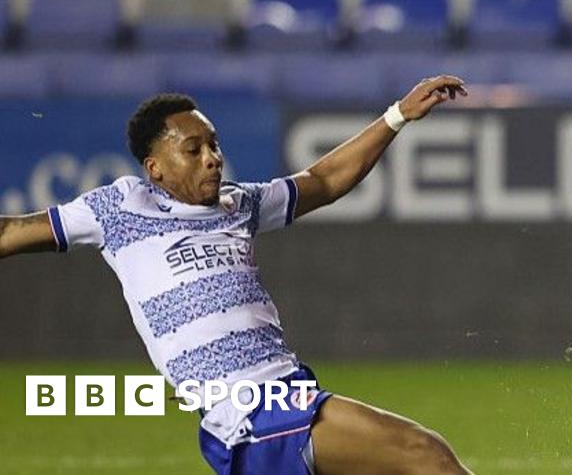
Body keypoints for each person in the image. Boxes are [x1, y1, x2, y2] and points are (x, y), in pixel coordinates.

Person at [0, 78, 473, 475]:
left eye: (214, 144)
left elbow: (324, 181)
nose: (212, 157)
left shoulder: (237, 204)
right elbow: (11, 233)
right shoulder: (119, 208)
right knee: (425, 455)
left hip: (283, 395)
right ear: (155, 169)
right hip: (250, 410)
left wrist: (397, 116)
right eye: (193, 149)